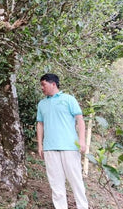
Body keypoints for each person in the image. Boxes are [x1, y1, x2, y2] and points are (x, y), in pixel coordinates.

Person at [36, 73, 88, 209]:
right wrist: (40, 145)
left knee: (76, 181)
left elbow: (80, 119)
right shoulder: (42, 104)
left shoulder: (69, 99)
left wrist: (82, 141)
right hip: (49, 148)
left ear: (53, 84)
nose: (42, 88)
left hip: (69, 147)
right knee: (56, 185)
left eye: (44, 84)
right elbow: (40, 124)